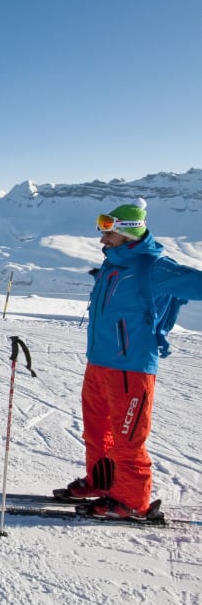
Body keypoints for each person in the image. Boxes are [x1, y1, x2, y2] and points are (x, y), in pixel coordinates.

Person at [56, 198, 202, 519]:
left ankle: (132, 501)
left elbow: (197, 284)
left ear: (129, 232)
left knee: (128, 437)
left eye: (109, 231)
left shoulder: (154, 267)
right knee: (96, 431)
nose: (102, 238)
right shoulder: (112, 264)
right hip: (98, 363)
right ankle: (102, 482)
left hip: (131, 367)